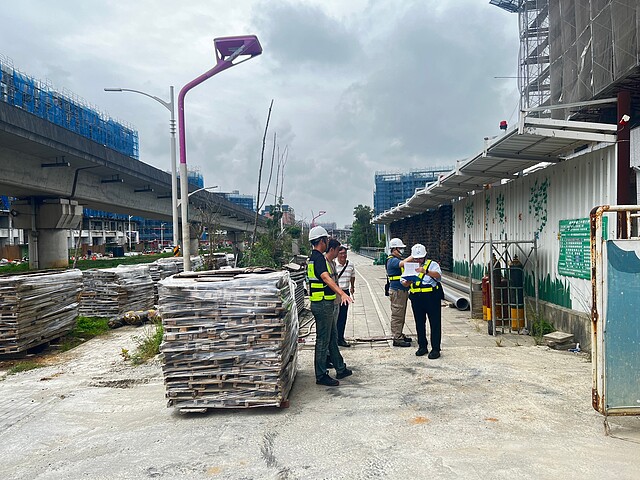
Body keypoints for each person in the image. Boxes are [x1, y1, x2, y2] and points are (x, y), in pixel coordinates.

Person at [307, 226, 353, 386]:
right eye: (326, 239)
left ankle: (340, 368)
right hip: (322, 305)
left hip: (322, 303)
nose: (327, 242)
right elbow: (326, 278)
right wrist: (342, 293)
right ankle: (321, 375)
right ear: (321, 241)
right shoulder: (319, 259)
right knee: (323, 340)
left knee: (332, 337)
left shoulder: (312, 258)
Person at [401, 243, 443, 359]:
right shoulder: (409, 266)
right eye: (416, 258)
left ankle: (435, 348)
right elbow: (403, 282)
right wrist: (408, 281)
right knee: (419, 323)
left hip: (431, 296)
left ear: (425, 256)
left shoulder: (432, 264)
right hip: (416, 297)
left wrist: (425, 271)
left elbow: (438, 276)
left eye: (420, 258)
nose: (418, 260)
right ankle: (422, 346)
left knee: (435, 323)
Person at [386, 237, 412, 347]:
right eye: (400, 248)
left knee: (401, 314)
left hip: (401, 290)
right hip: (397, 291)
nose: (402, 250)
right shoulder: (392, 260)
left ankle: (399, 334)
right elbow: (402, 264)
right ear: (394, 249)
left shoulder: (396, 259)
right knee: (397, 314)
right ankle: (397, 337)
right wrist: (413, 256)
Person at [335, 245, 356, 347]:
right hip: (336, 293)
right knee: (335, 317)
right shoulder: (333, 264)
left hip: (346, 293)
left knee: (343, 316)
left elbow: (353, 276)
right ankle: (334, 339)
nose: (343, 255)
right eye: (341, 253)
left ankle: (340, 338)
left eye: (345, 253)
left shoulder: (350, 265)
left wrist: (352, 287)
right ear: (337, 254)